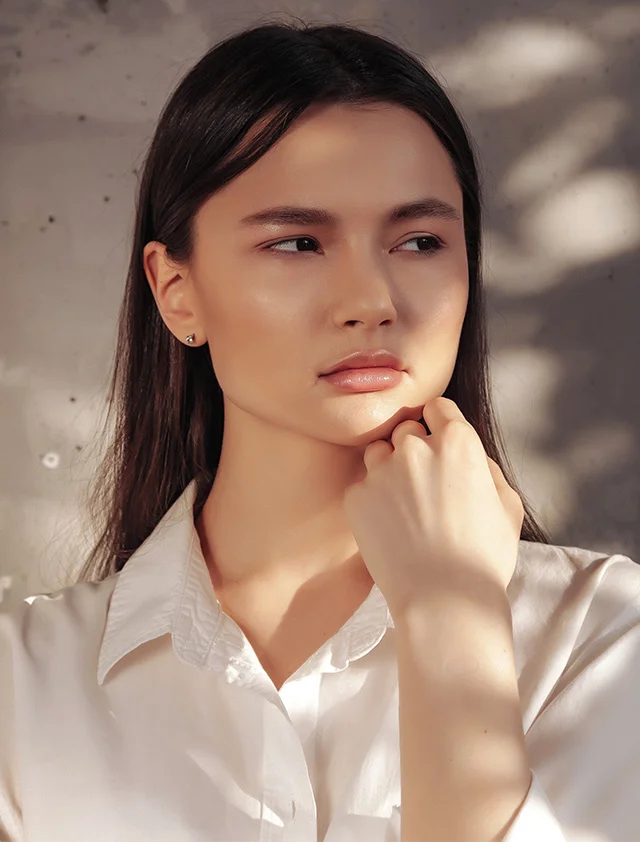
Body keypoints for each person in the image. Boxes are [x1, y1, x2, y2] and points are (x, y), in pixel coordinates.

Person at [1, 16, 639, 842]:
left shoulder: (602, 639)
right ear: (176, 291)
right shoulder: (24, 687)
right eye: (299, 242)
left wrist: (450, 618)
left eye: (419, 240)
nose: (372, 299)